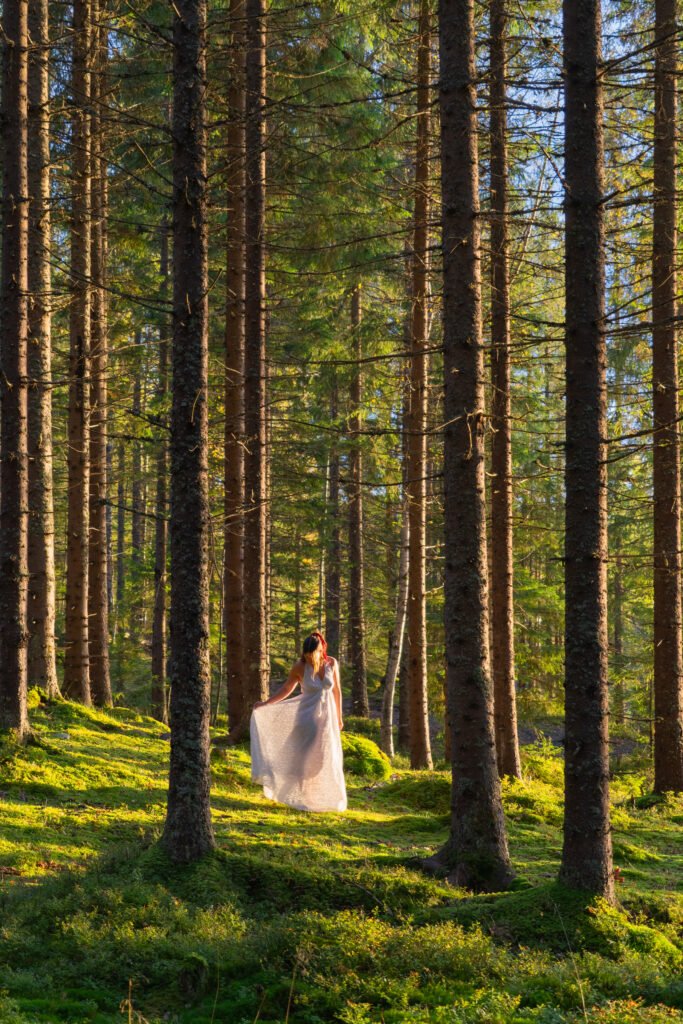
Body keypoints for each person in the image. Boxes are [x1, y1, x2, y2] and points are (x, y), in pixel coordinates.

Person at [250, 631, 347, 812]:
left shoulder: (331, 663)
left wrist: (339, 718)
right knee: (304, 754)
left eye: (314, 652)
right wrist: (265, 703)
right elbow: (287, 688)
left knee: (325, 755)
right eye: (307, 653)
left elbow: (337, 692)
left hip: (327, 717)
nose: (310, 656)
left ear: (321, 649)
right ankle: (299, 794)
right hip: (306, 716)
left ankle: (321, 795)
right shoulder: (300, 667)